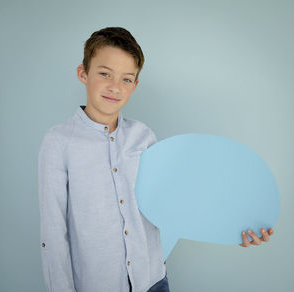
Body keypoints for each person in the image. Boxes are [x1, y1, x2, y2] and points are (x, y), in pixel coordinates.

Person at [38, 27, 274, 292]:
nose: (115, 87)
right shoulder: (59, 141)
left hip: (152, 281)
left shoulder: (144, 137)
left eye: (126, 79)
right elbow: (53, 233)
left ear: (135, 85)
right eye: (105, 73)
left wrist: (233, 226)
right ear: (84, 73)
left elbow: (173, 205)